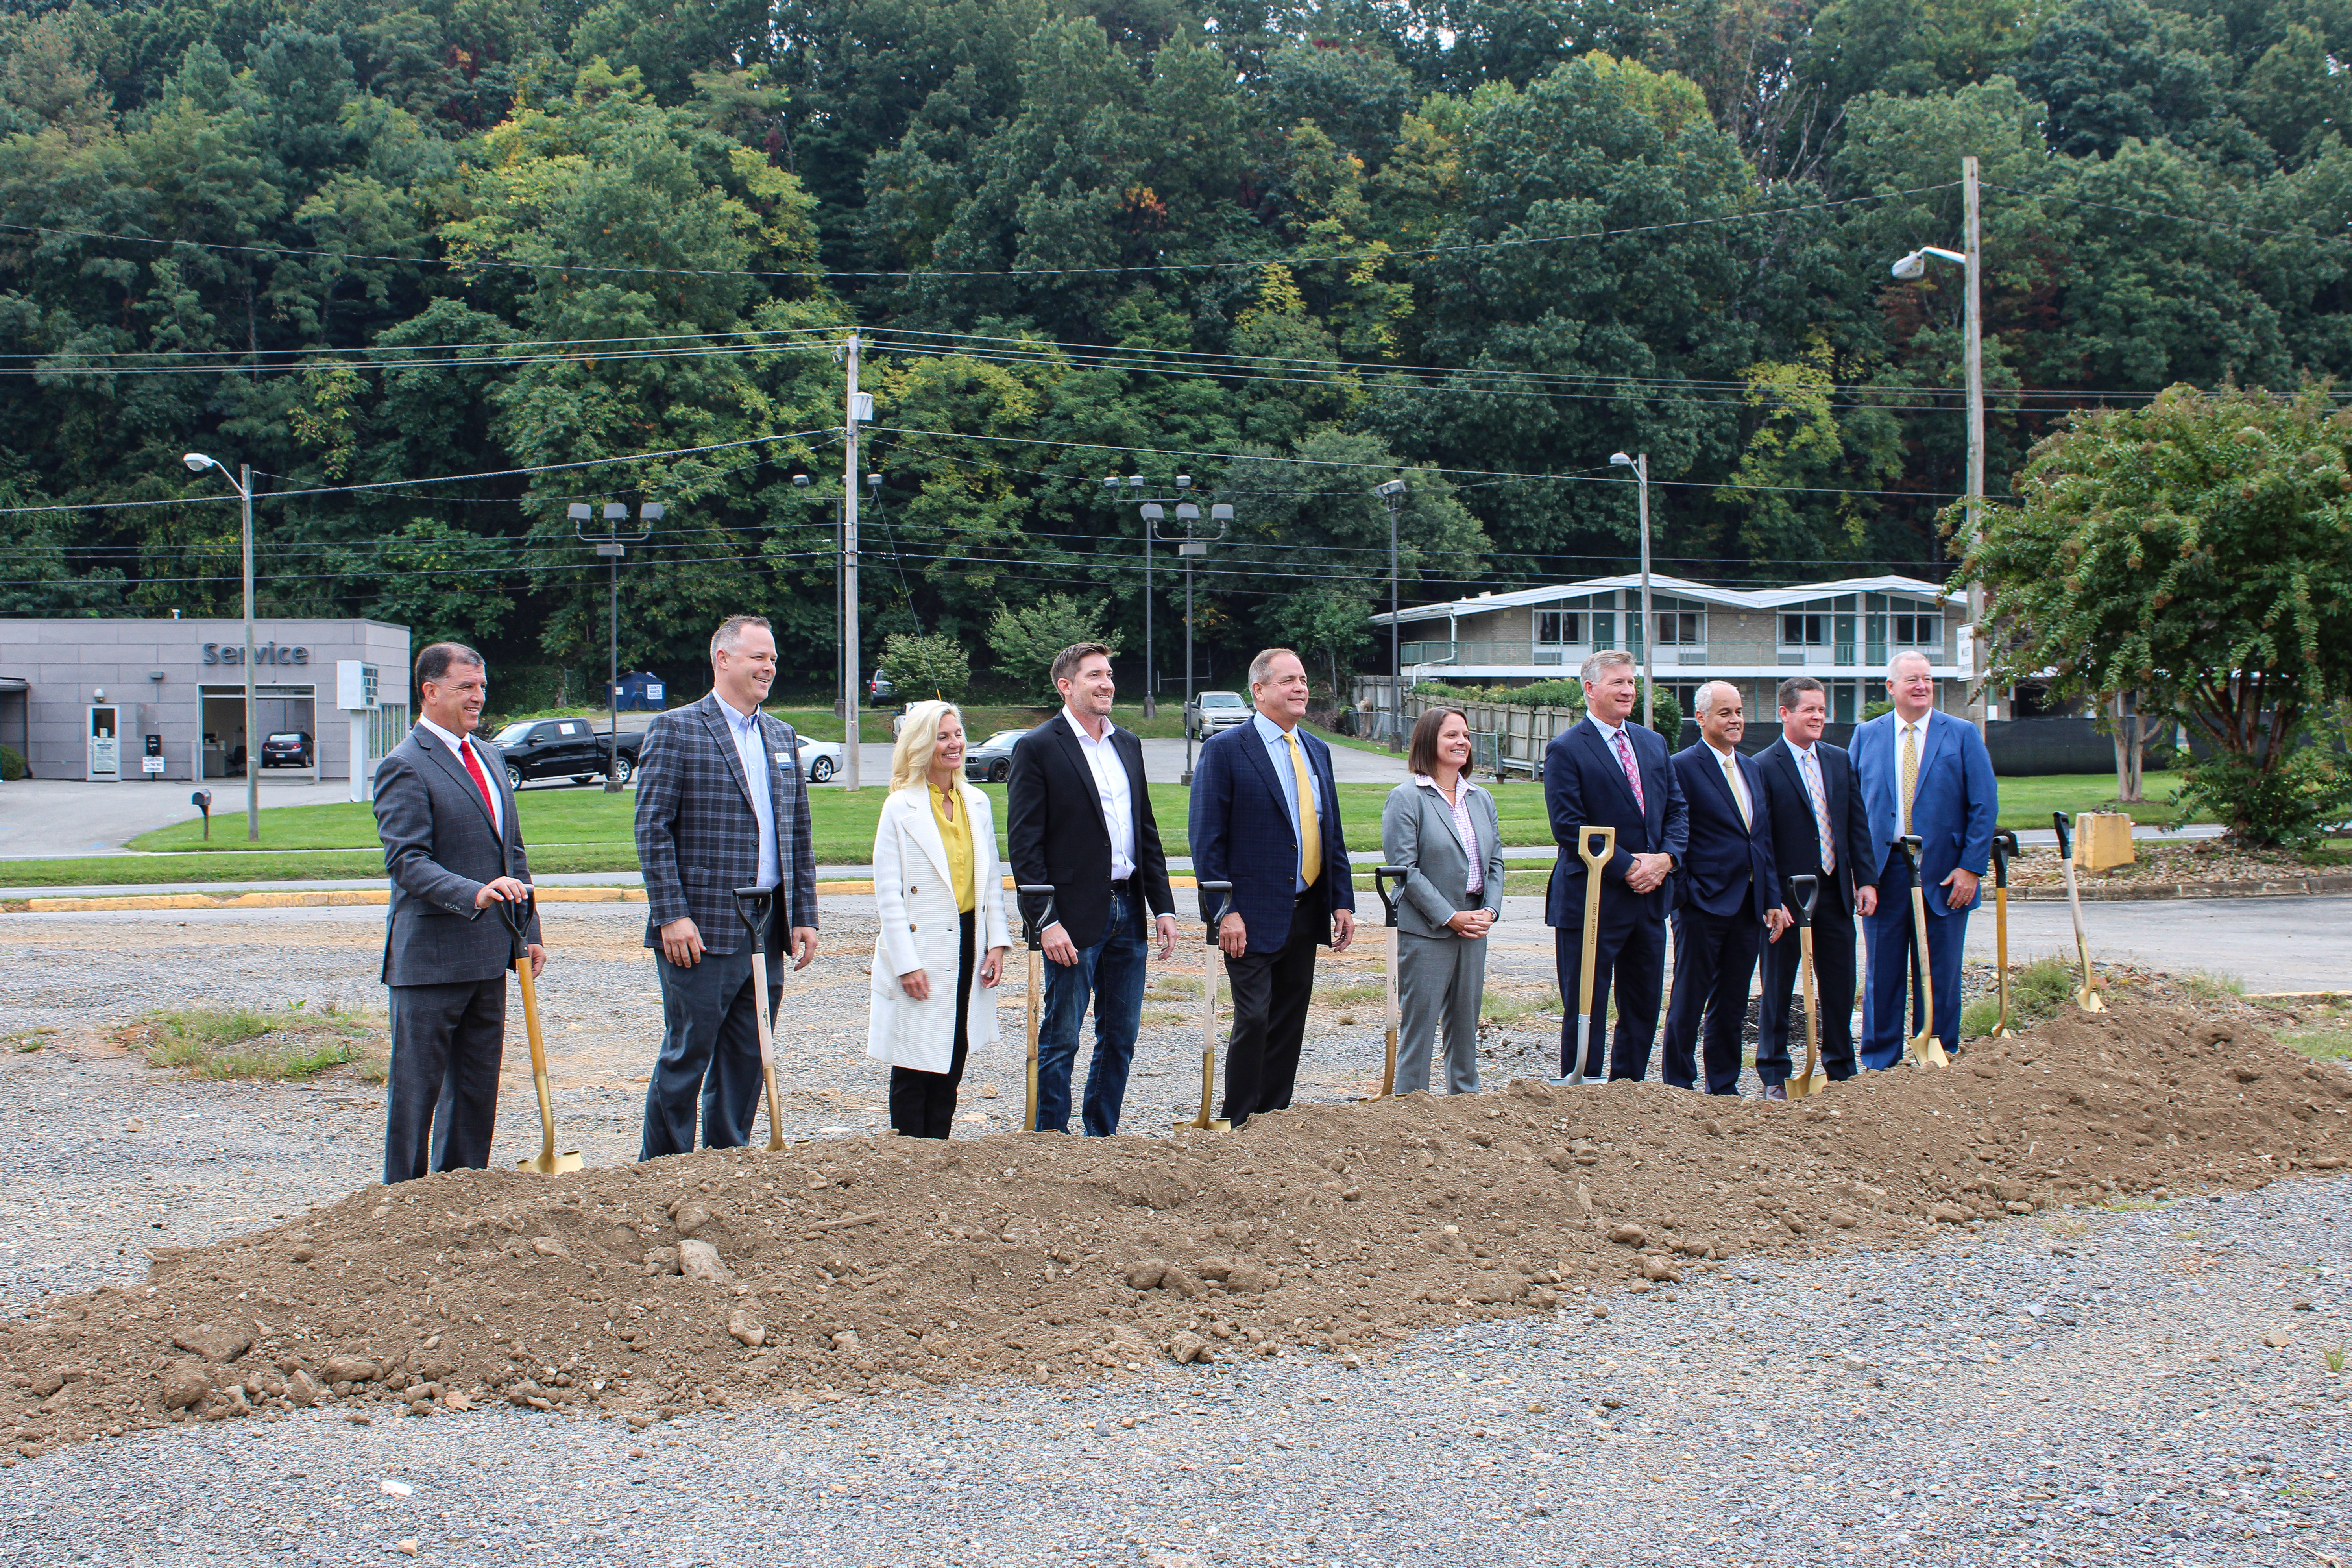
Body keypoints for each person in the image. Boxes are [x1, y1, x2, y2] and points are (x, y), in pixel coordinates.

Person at [634, 615, 819, 1157]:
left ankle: (728, 1157)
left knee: (748, 1054)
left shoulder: (782, 737)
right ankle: (663, 1166)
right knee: (688, 1053)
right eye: (759, 657)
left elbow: (798, 835)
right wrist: (671, 913)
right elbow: (652, 829)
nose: (769, 667)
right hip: (700, 928)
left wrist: (802, 914)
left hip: (766, 926)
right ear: (723, 660)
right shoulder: (676, 729)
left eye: (774, 659)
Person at [372, 642, 542, 1184]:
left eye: (482, 687)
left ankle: (462, 1193)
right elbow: (407, 862)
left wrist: (529, 931)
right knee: (416, 1093)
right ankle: (402, 1201)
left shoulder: (490, 757)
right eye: (466, 687)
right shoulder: (404, 765)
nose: (478, 697)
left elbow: (512, 854)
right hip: (430, 961)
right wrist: (473, 893)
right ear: (430, 691)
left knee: (475, 1088)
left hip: (491, 954)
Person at [1005, 642, 1178, 1135]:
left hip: (1128, 906)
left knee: (1120, 1035)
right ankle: (1050, 1141)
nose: (1107, 684)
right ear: (1066, 686)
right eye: (1094, 676)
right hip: (1071, 917)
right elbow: (1025, 845)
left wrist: (1162, 906)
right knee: (1062, 1035)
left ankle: (1101, 1135)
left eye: (1109, 675)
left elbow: (1145, 830)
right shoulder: (1038, 747)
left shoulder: (1128, 744)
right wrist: (1045, 920)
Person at [1189, 648, 1356, 1127]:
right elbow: (1207, 840)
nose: (1300, 687)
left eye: (1303, 679)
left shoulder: (1317, 750)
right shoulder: (1225, 750)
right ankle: (1238, 1119)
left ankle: (1274, 1120)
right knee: (1255, 1018)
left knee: (1289, 1021)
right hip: (1250, 915)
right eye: (1288, 680)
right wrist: (1225, 911)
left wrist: (1341, 901)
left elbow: (1332, 834)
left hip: (1305, 911)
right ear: (1259, 691)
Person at [1542, 649, 1687, 1084]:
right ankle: (1583, 1089)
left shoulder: (1652, 743)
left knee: (1642, 1004)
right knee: (1586, 1000)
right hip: (1592, 899)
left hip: (1647, 901)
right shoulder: (1566, 749)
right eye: (1618, 683)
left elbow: (1677, 811)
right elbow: (1569, 826)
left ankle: (1628, 1092)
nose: (1628, 690)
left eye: (1631, 682)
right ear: (1590, 689)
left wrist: (1665, 860)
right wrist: (1627, 867)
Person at [868, 702, 1011, 1138]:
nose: (954, 744)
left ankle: (939, 1151)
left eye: (957, 734)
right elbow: (889, 897)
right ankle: (909, 1157)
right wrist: (905, 963)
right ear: (920, 745)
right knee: (915, 1059)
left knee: (955, 1050)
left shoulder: (977, 802)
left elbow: (991, 880)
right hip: (921, 943)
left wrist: (998, 943)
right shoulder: (899, 807)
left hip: (968, 940)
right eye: (942, 737)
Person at [1852, 650, 1998, 1067]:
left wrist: (1970, 868)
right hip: (1884, 872)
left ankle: (1937, 1052)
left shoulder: (1963, 734)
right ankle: (1880, 1061)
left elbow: (1983, 806)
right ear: (1891, 687)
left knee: (1941, 972)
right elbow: (1853, 810)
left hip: (1945, 875)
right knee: (1882, 974)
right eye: (1912, 679)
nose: (1921, 687)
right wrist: (1861, 874)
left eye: (1927, 679)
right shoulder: (1867, 736)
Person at [1662, 682, 1788, 1095]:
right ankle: (1678, 1082)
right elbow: (1675, 833)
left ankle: (1724, 1084)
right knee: (1689, 996)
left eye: (1738, 712)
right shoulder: (1682, 766)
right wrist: (1684, 893)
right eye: (1724, 713)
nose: (1735, 720)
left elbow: (1761, 839)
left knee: (1732, 1001)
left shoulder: (1752, 768)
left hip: (1748, 904)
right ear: (1701, 719)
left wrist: (1770, 898)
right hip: (1701, 904)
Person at [1754, 676, 1877, 1087]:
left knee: (1840, 983)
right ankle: (1774, 1071)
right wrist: (1772, 897)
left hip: (1835, 893)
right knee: (1778, 984)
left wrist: (1866, 880)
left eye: (1822, 709)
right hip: (1788, 898)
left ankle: (1841, 1067)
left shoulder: (1838, 760)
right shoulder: (1762, 766)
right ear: (1785, 713)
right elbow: (1762, 841)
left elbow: (1855, 825)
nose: (1819, 716)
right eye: (1810, 709)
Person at [1381, 707, 1506, 1097]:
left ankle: (1465, 1104)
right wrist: (1450, 917)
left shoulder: (1480, 798)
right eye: (1452, 735)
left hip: (1474, 928)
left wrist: (1488, 911)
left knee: (1466, 1025)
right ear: (1429, 741)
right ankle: (1408, 1106)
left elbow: (1496, 862)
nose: (1462, 742)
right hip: (1427, 931)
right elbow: (1405, 870)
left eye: (1466, 735)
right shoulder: (1406, 799)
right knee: (1420, 1027)